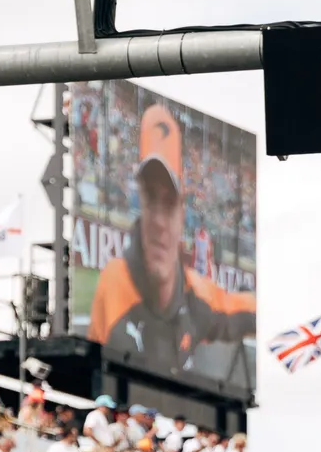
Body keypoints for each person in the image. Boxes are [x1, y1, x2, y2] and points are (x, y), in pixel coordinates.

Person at [87, 102, 255, 383]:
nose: (159, 222)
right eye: (151, 198)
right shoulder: (114, 284)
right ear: (139, 199)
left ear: (181, 213)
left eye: (169, 203)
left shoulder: (197, 293)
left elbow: (246, 309)